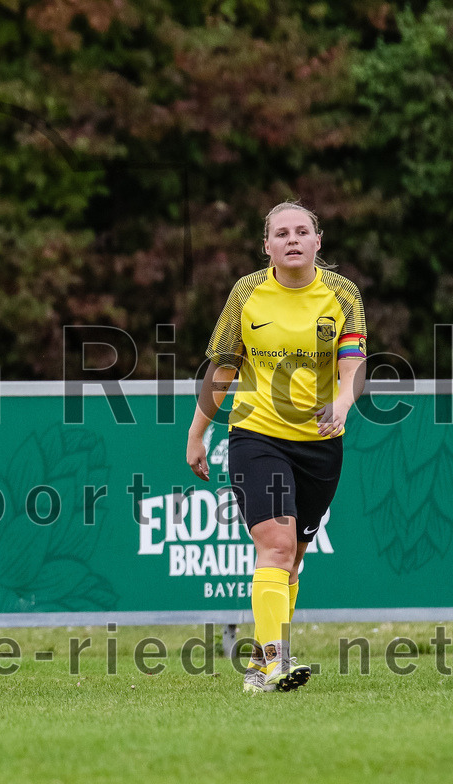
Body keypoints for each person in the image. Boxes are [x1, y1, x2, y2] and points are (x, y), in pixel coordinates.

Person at [186, 201, 366, 693]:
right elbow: (223, 369)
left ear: (317, 242)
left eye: (301, 231)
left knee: (295, 556)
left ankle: (267, 661)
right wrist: (197, 432)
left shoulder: (342, 293)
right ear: (266, 245)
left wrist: (342, 404)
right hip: (256, 435)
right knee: (276, 545)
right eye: (281, 233)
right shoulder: (246, 292)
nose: (292, 239)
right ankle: (270, 660)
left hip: (320, 443)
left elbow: (353, 363)